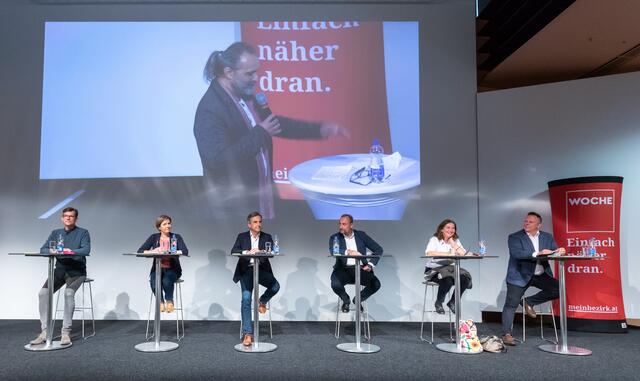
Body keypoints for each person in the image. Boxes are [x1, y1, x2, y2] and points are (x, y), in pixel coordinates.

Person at [193, 41, 348, 219]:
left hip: (263, 200)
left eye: (256, 72)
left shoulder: (246, 94)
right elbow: (218, 160)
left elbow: (273, 124)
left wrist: (320, 129)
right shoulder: (210, 110)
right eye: (249, 73)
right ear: (229, 73)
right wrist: (261, 133)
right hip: (233, 211)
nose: (256, 78)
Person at [501, 212, 565, 346]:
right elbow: (517, 254)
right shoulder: (515, 237)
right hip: (519, 275)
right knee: (511, 304)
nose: (526, 223)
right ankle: (507, 334)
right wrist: (538, 253)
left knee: (559, 289)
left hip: (540, 274)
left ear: (538, 225)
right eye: (526, 221)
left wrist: (559, 251)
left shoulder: (547, 237)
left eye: (530, 222)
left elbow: (553, 251)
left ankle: (529, 302)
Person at [30, 207, 91, 347]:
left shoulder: (83, 233)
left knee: (68, 293)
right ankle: (45, 332)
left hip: (77, 272)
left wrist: (71, 251)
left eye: (71, 216)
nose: (68, 218)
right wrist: (50, 250)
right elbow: (43, 249)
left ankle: (65, 332)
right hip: (59, 271)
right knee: (43, 294)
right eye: (65, 216)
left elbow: (86, 250)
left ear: (76, 218)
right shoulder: (56, 233)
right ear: (62, 218)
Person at [231, 211, 280, 347]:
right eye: (255, 222)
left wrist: (260, 252)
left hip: (261, 270)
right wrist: (247, 252)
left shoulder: (267, 237)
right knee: (246, 299)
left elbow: (271, 254)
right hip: (246, 271)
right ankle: (248, 334)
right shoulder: (242, 237)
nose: (259, 224)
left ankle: (262, 301)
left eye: (260, 222)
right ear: (249, 224)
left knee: (275, 286)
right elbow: (234, 251)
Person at [328, 214, 383, 313]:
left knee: (376, 284)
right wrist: (349, 252)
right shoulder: (335, 237)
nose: (341, 226)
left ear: (351, 225)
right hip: (343, 269)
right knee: (335, 284)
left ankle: (358, 300)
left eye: (344, 224)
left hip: (361, 269)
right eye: (340, 224)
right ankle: (346, 300)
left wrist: (370, 265)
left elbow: (378, 249)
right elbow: (334, 251)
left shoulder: (361, 235)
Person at [137, 215, 189, 313]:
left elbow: (185, 251)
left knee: (166, 280)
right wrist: (154, 250)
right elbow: (140, 251)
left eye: (169, 223)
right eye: (164, 224)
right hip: (157, 269)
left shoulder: (176, 237)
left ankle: (169, 301)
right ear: (159, 227)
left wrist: (174, 252)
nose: (168, 226)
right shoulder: (154, 237)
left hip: (173, 269)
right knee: (154, 281)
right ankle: (160, 302)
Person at [424, 219, 472, 314]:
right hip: (434, 270)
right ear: (442, 229)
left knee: (465, 279)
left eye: (453, 228)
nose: (451, 230)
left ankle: (452, 302)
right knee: (448, 280)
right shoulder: (435, 239)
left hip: (450, 270)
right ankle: (439, 303)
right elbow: (429, 252)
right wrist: (447, 253)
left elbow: (462, 253)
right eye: (448, 227)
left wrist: (452, 243)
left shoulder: (455, 240)